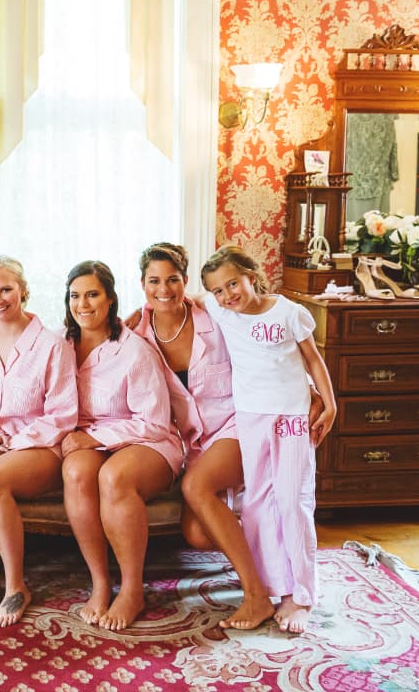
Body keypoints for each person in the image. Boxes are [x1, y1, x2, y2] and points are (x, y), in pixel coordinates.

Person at [131, 242, 274, 630]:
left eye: (172, 279)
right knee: (195, 534)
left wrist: (308, 388)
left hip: (236, 424)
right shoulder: (136, 334)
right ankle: (269, 546)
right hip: (193, 442)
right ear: (142, 284)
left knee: (195, 486)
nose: (164, 289)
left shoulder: (213, 312)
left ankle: (257, 595)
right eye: (154, 281)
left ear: (185, 280)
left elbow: (269, 337)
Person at [200, 245, 337, 634]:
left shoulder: (290, 313)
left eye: (232, 283)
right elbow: (173, 298)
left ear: (251, 275)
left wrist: (329, 403)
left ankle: (301, 593)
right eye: (218, 291)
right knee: (258, 501)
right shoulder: (221, 312)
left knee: (292, 500)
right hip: (252, 419)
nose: (227, 295)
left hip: (293, 416)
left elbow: (313, 359)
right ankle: (271, 586)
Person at [0, 256, 77, 627]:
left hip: (41, 445)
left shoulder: (52, 344)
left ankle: (16, 584)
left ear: (23, 290)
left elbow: (62, 413)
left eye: (6, 289)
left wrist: (15, 441)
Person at [59, 260, 180, 629]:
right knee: (77, 471)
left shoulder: (134, 350)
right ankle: (99, 584)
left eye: (93, 294)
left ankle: (131, 590)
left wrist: (92, 437)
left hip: (149, 439)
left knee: (114, 477)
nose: (83, 304)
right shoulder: (60, 345)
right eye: (75, 296)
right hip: (90, 441)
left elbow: (154, 422)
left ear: (110, 299)